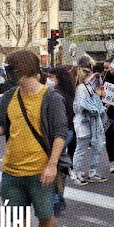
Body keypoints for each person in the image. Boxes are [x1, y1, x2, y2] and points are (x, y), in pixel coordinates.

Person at [0, 50, 68, 227]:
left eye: (11, 69)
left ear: (24, 70)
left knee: (46, 216)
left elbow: (60, 134)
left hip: (41, 173)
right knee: (17, 219)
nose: (7, 73)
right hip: (11, 172)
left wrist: (51, 166)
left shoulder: (51, 98)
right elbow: (3, 124)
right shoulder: (10, 96)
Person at [71, 56, 108, 186]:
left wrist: (100, 105)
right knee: (81, 148)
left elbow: (94, 102)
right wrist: (95, 108)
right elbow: (81, 105)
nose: (90, 73)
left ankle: (92, 172)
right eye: (88, 71)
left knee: (97, 147)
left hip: (93, 121)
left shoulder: (89, 86)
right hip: (84, 121)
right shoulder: (81, 87)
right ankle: (78, 173)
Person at [47, 66, 76, 217]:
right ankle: (59, 198)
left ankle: (55, 200)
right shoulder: (69, 91)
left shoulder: (55, 93)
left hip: (59, 133)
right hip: (69, 131)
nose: (48, 80)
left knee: (53, 166)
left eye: (50, 77)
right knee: (61, 166)